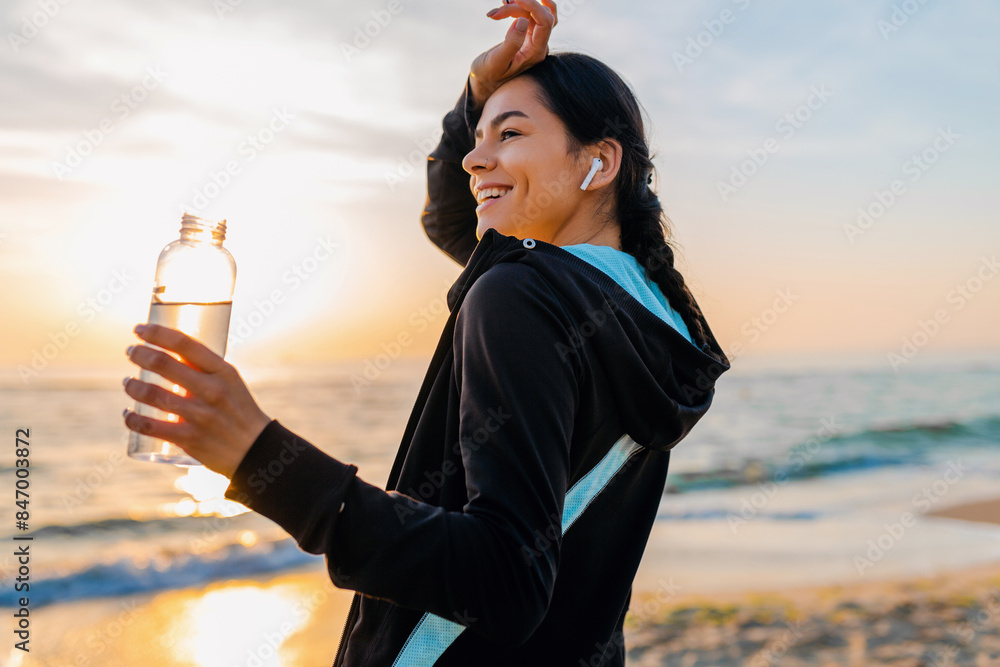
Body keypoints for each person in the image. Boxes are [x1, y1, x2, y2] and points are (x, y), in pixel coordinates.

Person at [122, 1, 731, 664]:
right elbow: (455, 221)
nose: (475, 159)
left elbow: (506, 579)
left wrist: (260, 457)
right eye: (479, 139)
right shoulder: (652, 311)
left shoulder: (522, 293)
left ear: (599, 162)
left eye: (511, 134)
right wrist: (479, 93)